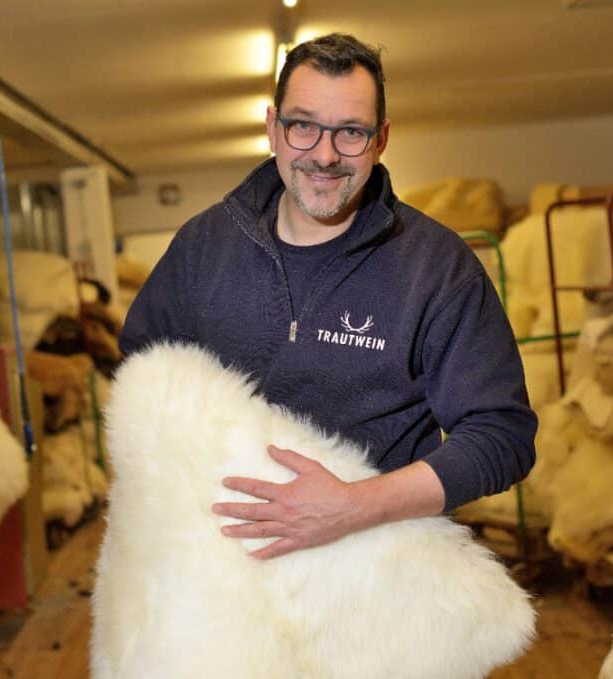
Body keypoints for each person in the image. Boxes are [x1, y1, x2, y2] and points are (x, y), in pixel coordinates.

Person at [118, 33, 536, 560]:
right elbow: (143, 378)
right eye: (303, 126)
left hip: (374, 566)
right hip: (220, 568)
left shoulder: (436, 267)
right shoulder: (204, 247)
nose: (324, 154)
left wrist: (355, 506)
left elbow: (502, 434)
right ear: (273, 128)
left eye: (351, 132)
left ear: (381, 139)